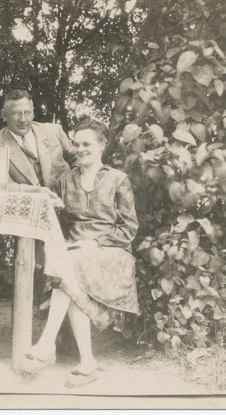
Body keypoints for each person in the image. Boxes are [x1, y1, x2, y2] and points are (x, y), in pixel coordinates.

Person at [18, 120, 139, 388]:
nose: (80, 148)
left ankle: (46, 344)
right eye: (76, 143)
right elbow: (54, 228)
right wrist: (56, 208)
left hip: (110, 253)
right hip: (73, 255)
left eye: (87, 144)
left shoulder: (118, 180)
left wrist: (94, 243)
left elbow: (129, 229)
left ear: (102, 146)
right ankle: (87, 364)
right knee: (70, 272)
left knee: (67, 265)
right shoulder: (64, 180)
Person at [0, 89, 78, 196]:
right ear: (4, 115)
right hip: (27, 207)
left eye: (27, 113)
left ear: (33, 113)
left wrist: (71, 189)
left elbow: (78, 160)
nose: (23, 119)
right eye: (16, 113)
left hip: (66, 204)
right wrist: (38, 193)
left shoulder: (54, 131)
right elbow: (2, 186)